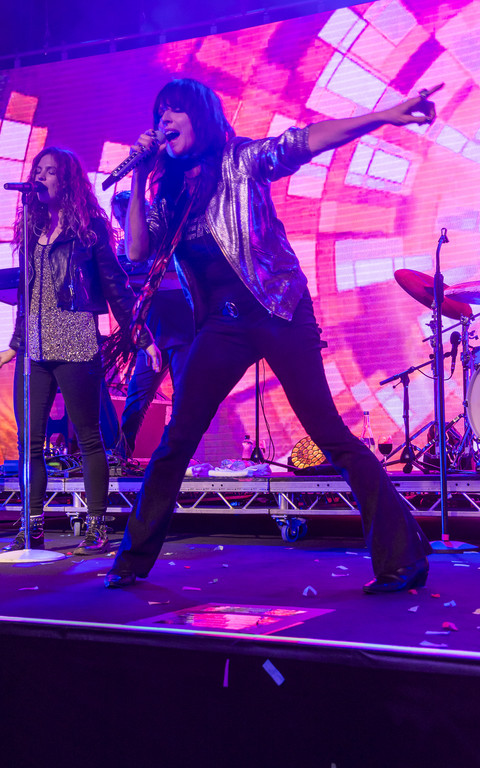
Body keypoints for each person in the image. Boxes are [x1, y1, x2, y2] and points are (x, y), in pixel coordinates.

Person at [105, 78, 440, 592]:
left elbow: (307, 140)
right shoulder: (169, 191)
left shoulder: (241, 161)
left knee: (329, 434)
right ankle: (130, 561)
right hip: (222, 325)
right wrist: (142, 171)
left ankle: (403, 557)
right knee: (177, 441)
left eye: (174, 111)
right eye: (159, 114)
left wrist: (384, 115)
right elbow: (135, 251)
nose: (163, 121)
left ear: (202, 116)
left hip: (278, 309)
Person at [0, 147, 160, 554]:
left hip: (75, 343)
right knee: (30, 443)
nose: (40, 178)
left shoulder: (90, 230)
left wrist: (142, 337)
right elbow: (28, 296)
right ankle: (32, 527)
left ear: (67, 180)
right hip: (35, 350)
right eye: (38, 171)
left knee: (89, 438)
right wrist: (15, 345)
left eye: (50, 172)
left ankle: (96, 526)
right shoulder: (33, 228)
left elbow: (117, 288)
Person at [110, 190, 193, 459]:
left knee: (184, 399)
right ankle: (121, 456)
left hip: (182, 333)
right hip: (152, 337)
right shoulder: (124, 250)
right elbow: (126, 287)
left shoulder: (167, 240)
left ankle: (177, 456)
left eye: (126, 215)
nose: (123, 221)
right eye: (120, 217)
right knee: (136, 399)